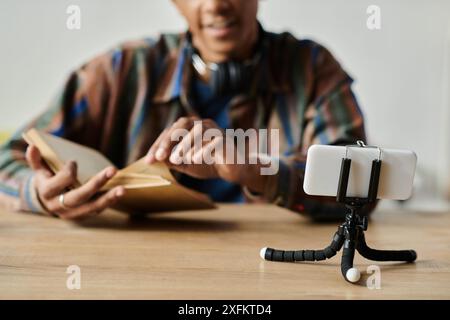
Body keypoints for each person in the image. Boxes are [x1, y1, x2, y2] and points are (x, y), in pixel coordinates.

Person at [0, 0, 374, 221]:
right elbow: (9, 158)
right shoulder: (120, 70)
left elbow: (365, 184)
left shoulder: (312, 67)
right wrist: (37, 192)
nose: (215, 5)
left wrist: (262, 171)